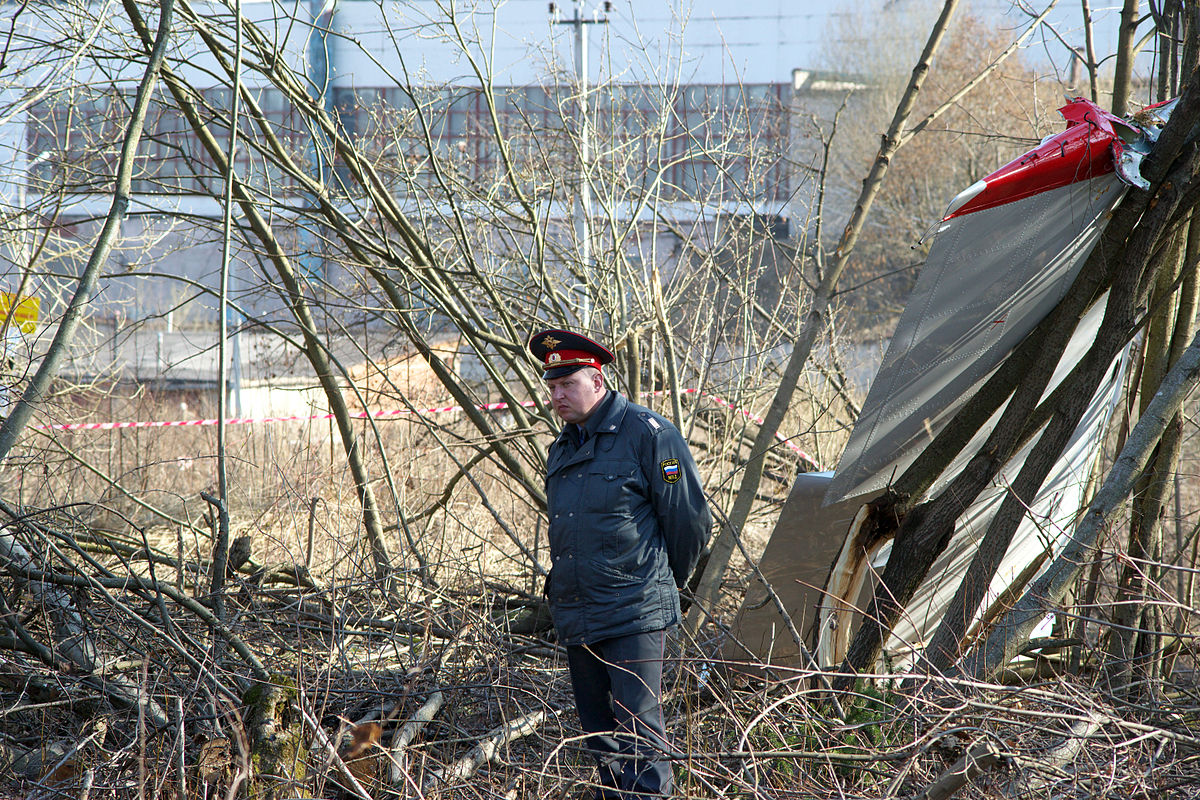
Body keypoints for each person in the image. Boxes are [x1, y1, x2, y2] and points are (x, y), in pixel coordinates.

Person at [528, 328, 712, 799]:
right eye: (551, 386)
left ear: (597, 379)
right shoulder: (564, 445)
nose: (557, 396)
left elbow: (688, 524)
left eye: (567, 384)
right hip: (578, 613)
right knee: (599, 736)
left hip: (634, 610)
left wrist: (656, 586)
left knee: (639, 733)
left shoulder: (648, 434)